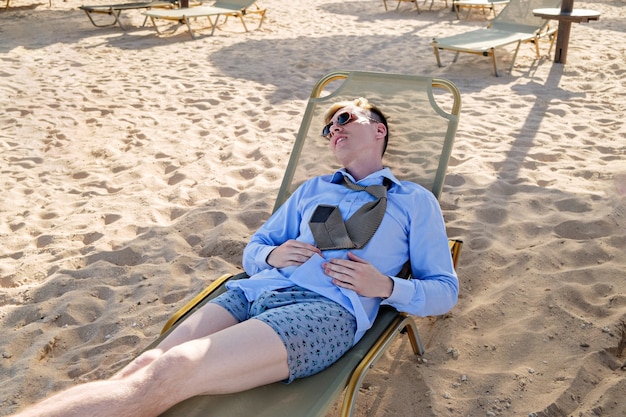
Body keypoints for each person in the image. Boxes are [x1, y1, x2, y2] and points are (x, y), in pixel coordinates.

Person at [12, 98, 458, 417]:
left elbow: (444, 290)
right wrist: (274, 254)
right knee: (145, 365)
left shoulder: (414, 201)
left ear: (379, 130)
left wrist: (385, 287)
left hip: (324, 310)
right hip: (254, 292)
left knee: (173, 368)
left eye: (344, 118)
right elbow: (253, 250)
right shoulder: (313, 190)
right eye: (327, 129)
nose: (333, 130)